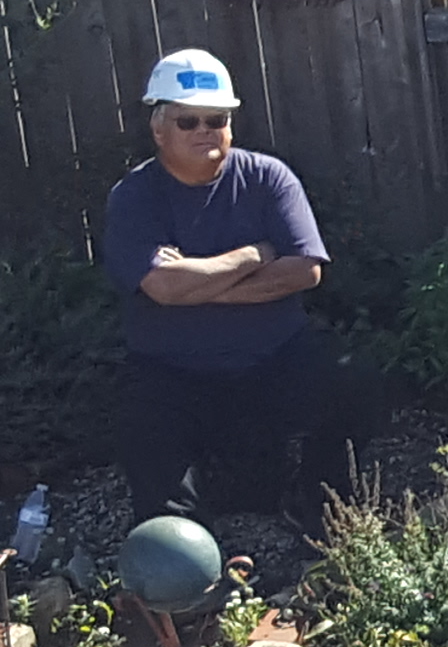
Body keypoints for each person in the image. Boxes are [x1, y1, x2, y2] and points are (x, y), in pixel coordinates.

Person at [99, 50, 376, 532]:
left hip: (273, 357)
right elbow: (162, 286)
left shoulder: (269, 178)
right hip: (172, 372)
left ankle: (320, 510)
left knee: (355, 382)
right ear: (159, 129)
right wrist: (254, 254)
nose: (204, 130)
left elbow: (305, 272)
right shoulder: (133, 197)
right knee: (142, 427)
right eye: (188, 121)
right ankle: (180, 563)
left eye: (217, 118)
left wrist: (194, 283)